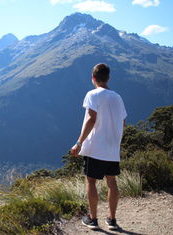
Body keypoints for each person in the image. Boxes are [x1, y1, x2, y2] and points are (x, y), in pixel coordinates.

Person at [70, 63, 127, 231]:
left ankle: (93, 219)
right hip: (112, 147)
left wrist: (79, 143)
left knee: (91, 181)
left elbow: (92, 118)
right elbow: (122, 122)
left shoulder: (92, 94)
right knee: (112, 182)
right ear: (108, 78)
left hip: (95, 146)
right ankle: (112, 220)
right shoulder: (117, 97)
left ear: (93, 78)